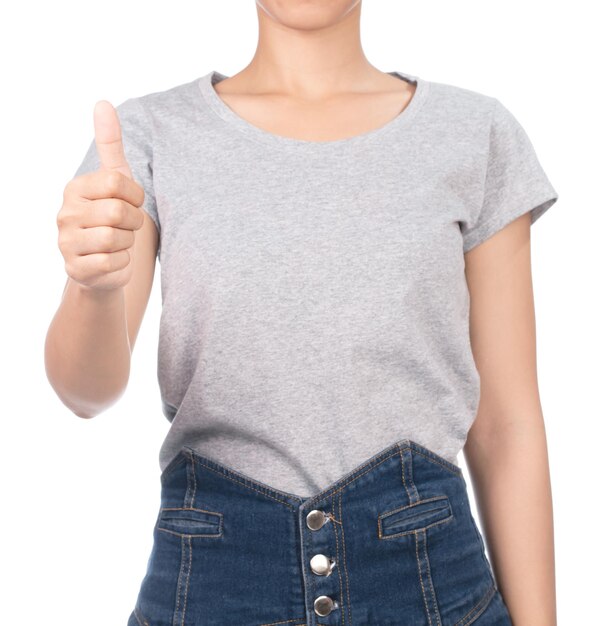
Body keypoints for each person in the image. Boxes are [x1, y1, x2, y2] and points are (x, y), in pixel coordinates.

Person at [45, 1, 559, 624]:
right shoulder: (147, 136)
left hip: (433, 591)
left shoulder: (474, 132)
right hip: (211, 589)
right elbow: (84, 392)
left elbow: (506, 427)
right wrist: (94, 288)